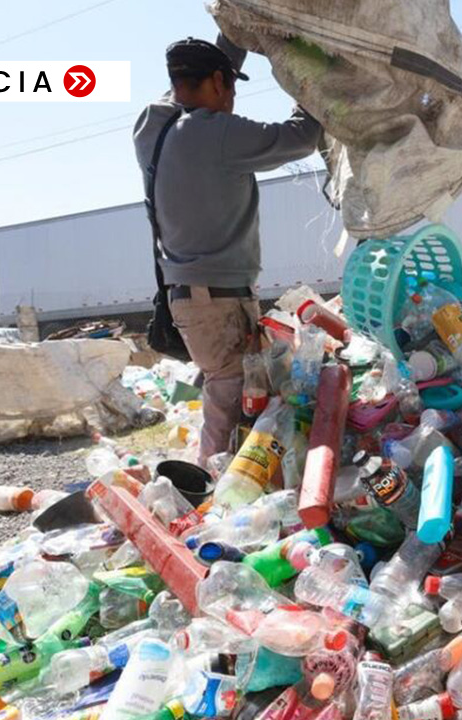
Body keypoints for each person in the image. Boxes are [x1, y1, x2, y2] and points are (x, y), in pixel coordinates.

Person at [134, 35, 322, 464]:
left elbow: (196, 80)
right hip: (218, 303)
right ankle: (212, 487)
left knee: (239, 395)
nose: (233, 99)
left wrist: (234, 35)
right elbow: (302, 137)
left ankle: (231, 476)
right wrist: (310, 81)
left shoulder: (152, 124)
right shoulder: (216, 134)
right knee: (230, 402)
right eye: (232, 87)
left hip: (190, 298)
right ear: (218, 82)